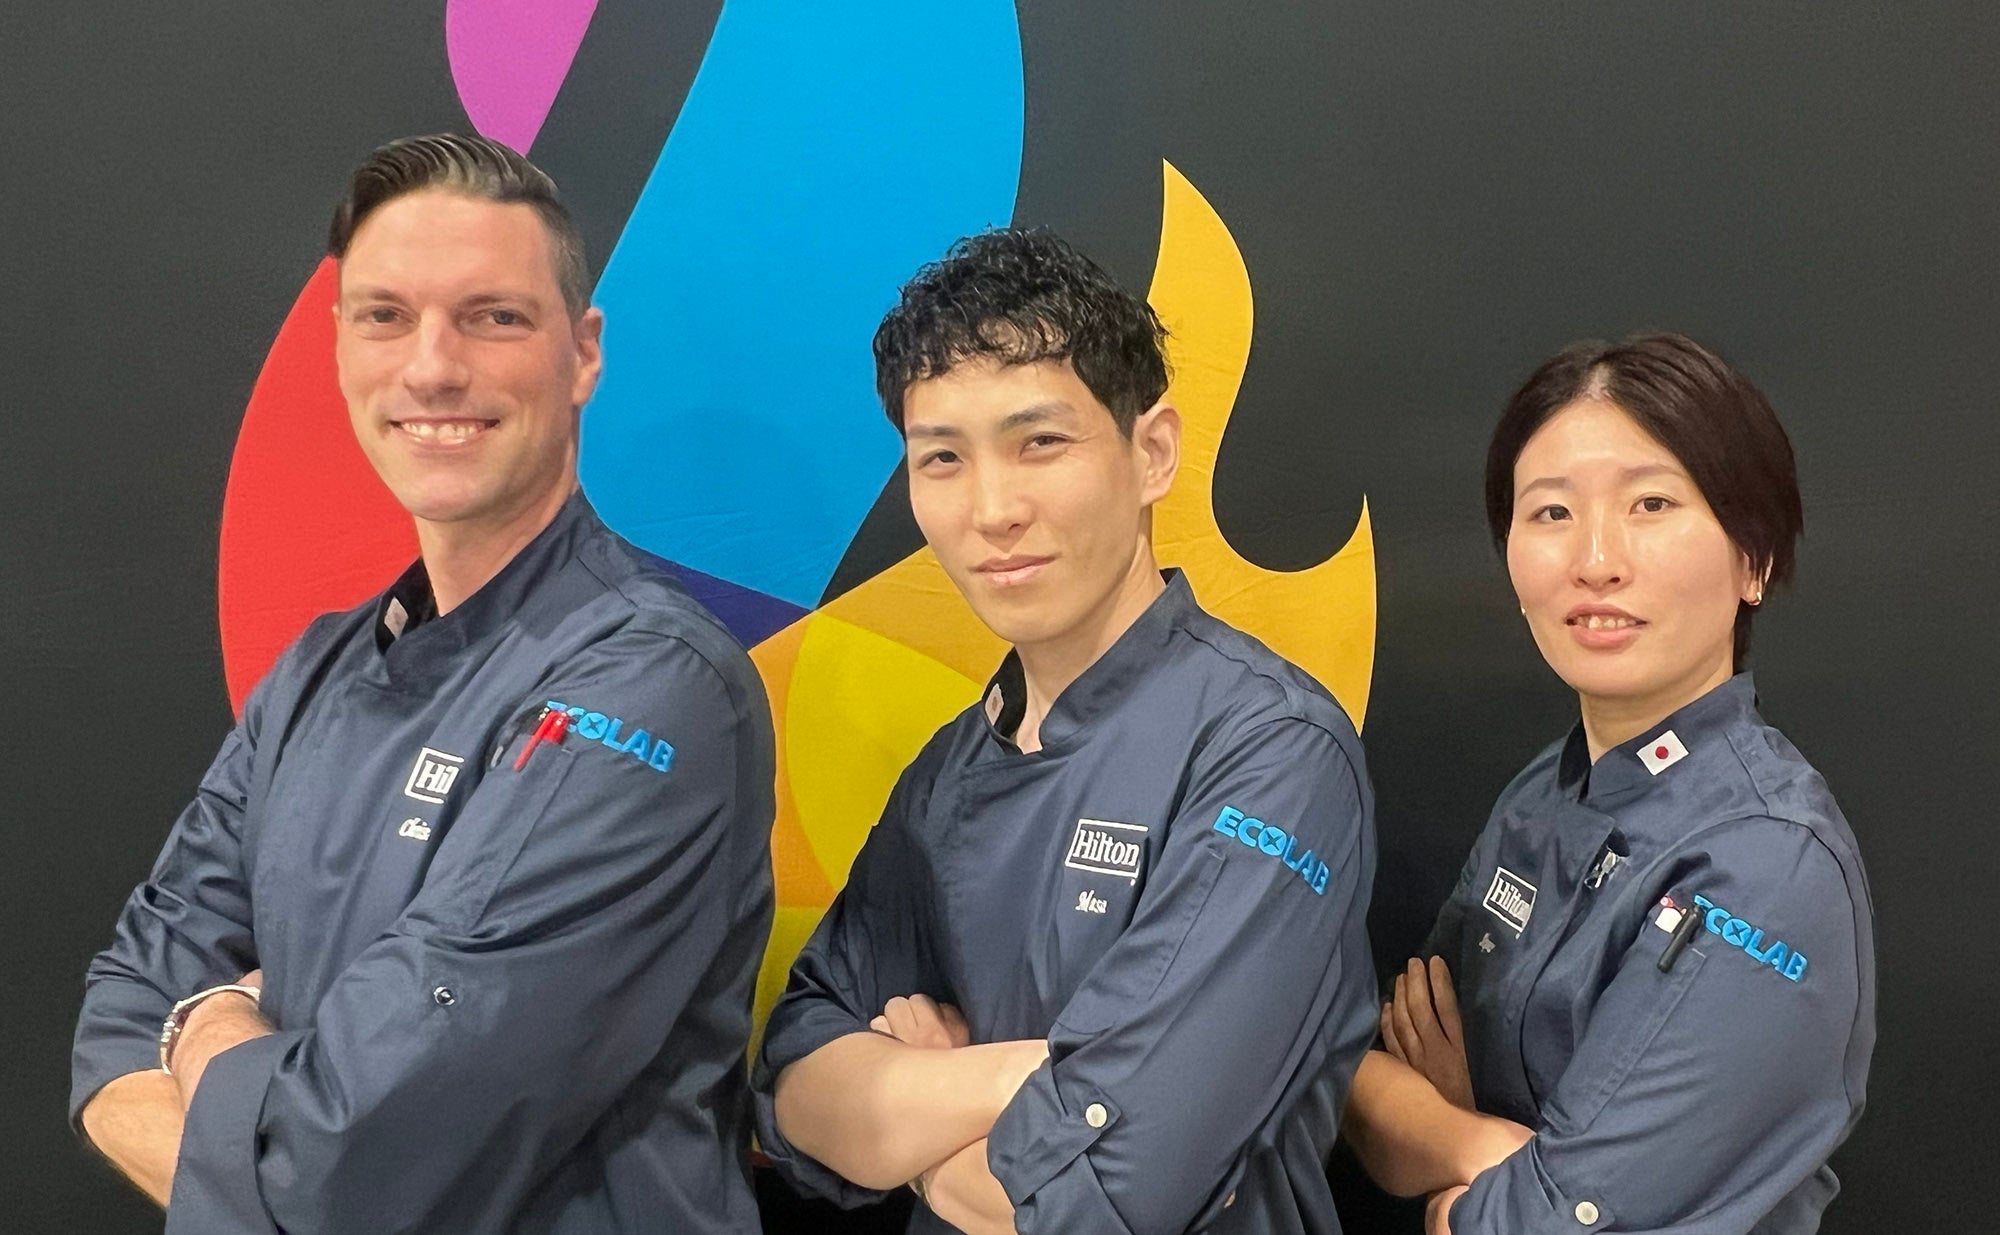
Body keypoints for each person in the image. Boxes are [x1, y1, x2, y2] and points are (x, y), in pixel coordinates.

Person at [69, 133, 776, 1234]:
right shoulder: (314, 673)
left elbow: (348, 1169)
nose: (433, 367)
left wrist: (205, 1033)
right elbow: (119, 1015)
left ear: (583, 354)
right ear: (341, 349)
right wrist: (266, 1147)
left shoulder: (653, 682)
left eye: (493, 316)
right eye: (385, 316)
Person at [752, 228, 1379, 1235]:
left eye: (1039, 442)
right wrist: (1035, 1077)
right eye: (942, 458)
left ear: (1151, 451)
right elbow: (790, 1080)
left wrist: (909, 1121)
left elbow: (1111, 1193)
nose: (992, 508)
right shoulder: (951, 771)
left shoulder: (1271, 750)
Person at [1341, 334, 1876, 1234]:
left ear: (1754, 559)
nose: (1596, 559)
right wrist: (1480, 1144)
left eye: (1651, 503)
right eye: (1551, 511)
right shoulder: (1540, 796)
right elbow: (1357, 1081)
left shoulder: (1766, 863)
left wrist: (1462, 1164)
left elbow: (1532, 1224)